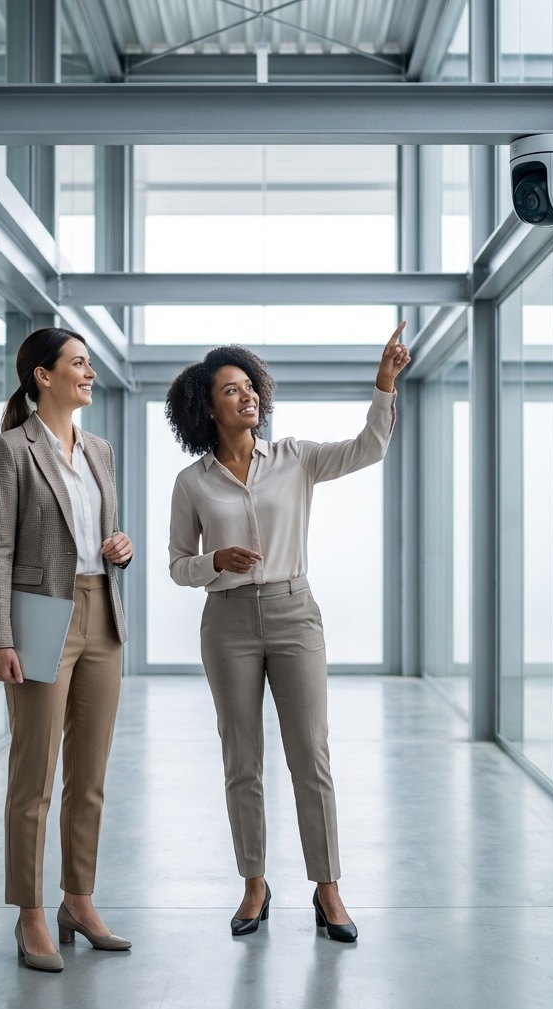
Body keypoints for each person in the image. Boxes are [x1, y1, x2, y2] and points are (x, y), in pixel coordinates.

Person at [166, 323, 410, 943]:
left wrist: (384, 385)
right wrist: (214, 563)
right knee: (240, 760)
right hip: (226, 625)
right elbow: (176, 565)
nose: (246, 396)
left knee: (310, 755)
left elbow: (368, 448)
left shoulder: (296, 457)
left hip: (294, 613)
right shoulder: (192, 483)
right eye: (230, 390)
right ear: (206, 407)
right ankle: (254, 884)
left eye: (250, 387)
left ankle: (328, 889)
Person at [0, 327, 133, 972]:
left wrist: (118, 546)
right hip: (40, 617)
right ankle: (31, 915)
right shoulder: (10, 450)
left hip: (103, 614)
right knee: (33, 777)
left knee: (90, 777)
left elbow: (98, 529)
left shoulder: (98, 448)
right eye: (78, 363)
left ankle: (77, 900)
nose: (89, 372)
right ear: (43, 375)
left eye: (89, 363)